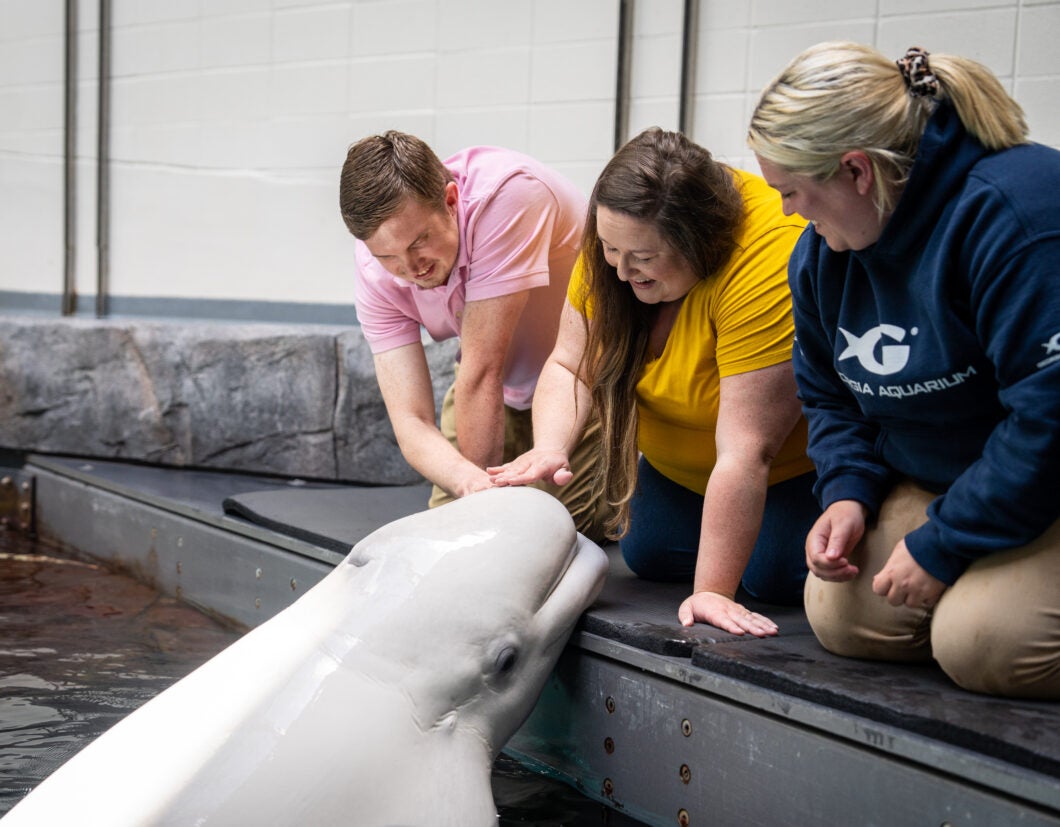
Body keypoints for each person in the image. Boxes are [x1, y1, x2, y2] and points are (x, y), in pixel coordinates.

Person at [748, 42, 1060, 698]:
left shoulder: (1017, 215)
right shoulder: (824, 255)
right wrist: (848, 492)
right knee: (843, 610)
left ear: (857, 171)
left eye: (793, 192)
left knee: (983, 641)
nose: (787, 213)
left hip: (1048, 474)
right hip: (959, 474)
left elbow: (1048, 417)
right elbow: (828, 393)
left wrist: (943, 544)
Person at [489, 128, 819, 635]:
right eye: (609, 250)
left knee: (770, 574)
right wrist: (551, 447)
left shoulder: (766, 261)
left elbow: (746, 450)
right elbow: (570, 364)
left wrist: (711, 590)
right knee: (649, 552)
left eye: (643, 259)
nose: (621, 271)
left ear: (698, 242)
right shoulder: (619, 238)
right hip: (680, 466)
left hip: (785, 469)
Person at [339, 131, 609, 540]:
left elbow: (484, 369)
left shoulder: (509, 196)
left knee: (545, 538)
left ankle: (628, 475)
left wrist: (481, 516)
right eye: (389, 256)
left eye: (420, 242)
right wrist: (469, 483)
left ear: (450, 201)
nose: (411, 267)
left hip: (585, 380)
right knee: (447, 536)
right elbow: (410, 419)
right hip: (488, 388)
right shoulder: (375, 268)